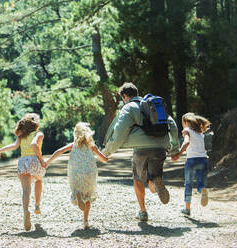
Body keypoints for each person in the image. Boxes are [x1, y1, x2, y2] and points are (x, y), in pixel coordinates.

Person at [102, 82, 180, 222]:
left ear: (125, 96)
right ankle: (155, 182)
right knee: (155, 175)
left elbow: (120, 131)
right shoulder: (153, 105)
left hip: (140, 149)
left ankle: (143, 212)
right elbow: (172, 124)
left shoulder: (129, 107)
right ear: (136, 93)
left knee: (138, 179)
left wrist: (106, 152)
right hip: (160, 147)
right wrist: (175, 148)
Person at [45, 122, 108, 229]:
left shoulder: (73, 145)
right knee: (88, 196)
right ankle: (85, 222)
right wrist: (106, 156)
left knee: (77, 190)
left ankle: (78, 194)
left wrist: (48, 161)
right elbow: (104, 159)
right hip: (89, 174)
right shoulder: (92, 146)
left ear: (75, 134)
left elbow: (59, 151)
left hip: (76, 173)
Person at [0, 113, 46, 231]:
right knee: (38, 180)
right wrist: (41, 159)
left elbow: (14, 146)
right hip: (34, 160)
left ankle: (25, 211)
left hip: (23, 161)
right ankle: (37, 206)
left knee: (25, 190)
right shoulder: (39, 134)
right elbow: (34, 145)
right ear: (35, 124)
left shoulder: (21, 136)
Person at [171, 113, 210, 216]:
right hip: (203, 160)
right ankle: (202, 190)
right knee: (201, 183)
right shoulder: (200, 133)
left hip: (191, 160)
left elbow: (187, 142)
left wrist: (179, 154)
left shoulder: (187, 130)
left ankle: (187, 209)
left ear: (185, 122)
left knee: (188, 184)